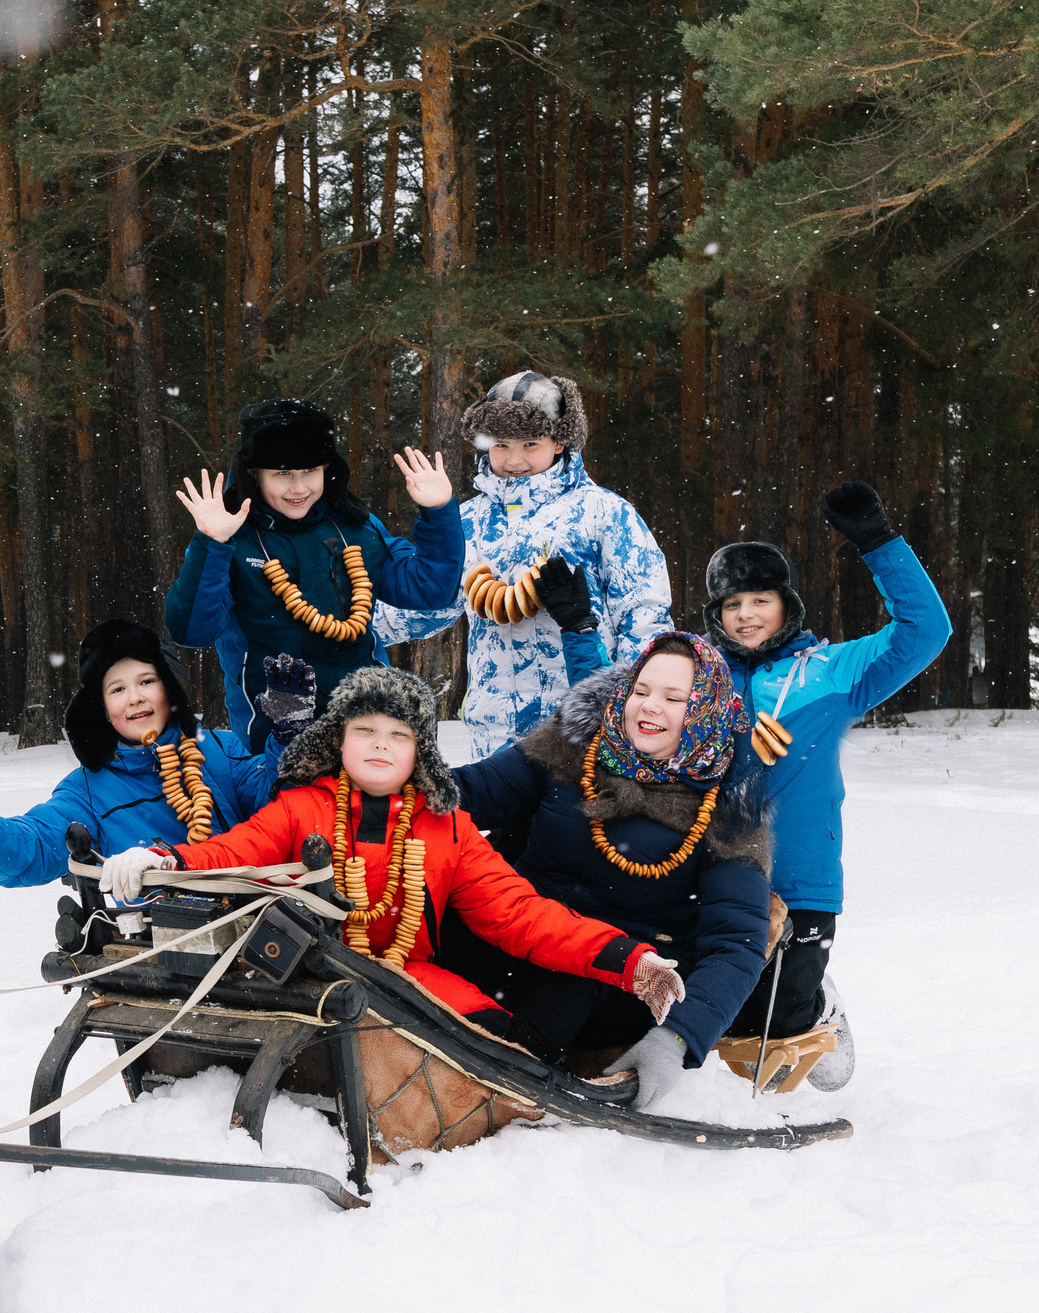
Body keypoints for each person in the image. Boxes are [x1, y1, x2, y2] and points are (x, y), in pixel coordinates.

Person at [99, 668, 686, 1093]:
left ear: (420, 756)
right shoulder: (298, 807)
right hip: (312, 979)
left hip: (411, 979)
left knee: (504, 1053)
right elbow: (232, 852)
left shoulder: (448, 828)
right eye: (366, 730)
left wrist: (628, 959)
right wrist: (163, 860)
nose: (381, 743)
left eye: (399, 735)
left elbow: (520, 914)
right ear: (339, 741)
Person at [442, 634, 772, 1113]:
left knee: (561, 993)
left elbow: (736, 944)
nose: (650, 707)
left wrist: (678, 1040)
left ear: (705, 710)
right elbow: (476, 789)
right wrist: (384, 776)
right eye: (641, 690)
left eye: (675, 698)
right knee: (433, 927)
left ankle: (480, 1098)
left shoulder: (730, 808)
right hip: (525, 929)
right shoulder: (577, 743)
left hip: (623, 974)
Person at [705, 480, 953, 1090]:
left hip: (801, 869)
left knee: (782, 1028)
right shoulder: (695, 675)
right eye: (732, 605)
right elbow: (623, 711)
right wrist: (580, 624)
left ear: (786, 605)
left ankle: (816, 1007)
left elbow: (925, 631)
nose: (746, 616)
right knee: (731, 1022)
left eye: (759, 600)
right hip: (716, 868)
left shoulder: (832, 671)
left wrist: (878, 541)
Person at [375, 371, 673, 759]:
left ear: (559, 441)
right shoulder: (468, 521)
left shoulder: (604, 513)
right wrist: (348, 626)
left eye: (530, 444)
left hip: (582, 722)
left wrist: (635, 707)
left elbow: (644, 615)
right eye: (501, 444)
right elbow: (430, 604)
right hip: (493, 728)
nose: (514, 460)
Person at [163, 397, 465, 741]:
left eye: (310, 471)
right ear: (254, 475)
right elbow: (190, 632)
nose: (299, 488)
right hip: (273, 735)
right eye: (282, 473)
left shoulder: (356, 527)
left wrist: (439, 511)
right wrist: (211, 544)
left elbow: (431, 589)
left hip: (364, 727)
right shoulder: (228, 537)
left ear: (327, 470)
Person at [0, 618, 301, 888]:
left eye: (146, 681)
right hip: (155, 944)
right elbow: (35, 847)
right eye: (117, 689)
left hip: (252, 915)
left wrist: (286, 732)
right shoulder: (88, 788)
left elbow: (279, 798)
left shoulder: (220, 749)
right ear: (101, 708)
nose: (134, 698)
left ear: (170, 690)